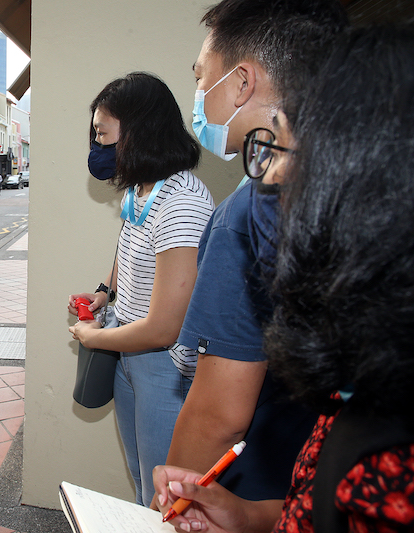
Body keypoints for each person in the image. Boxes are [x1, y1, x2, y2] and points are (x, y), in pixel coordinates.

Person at [154, 25, 414, 533]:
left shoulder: (388, 464)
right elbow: (315, 507)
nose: (268, 181)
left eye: (280, 153)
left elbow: (220, 412)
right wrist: (245, 517)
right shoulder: (361, 390)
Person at [163, 0, 347, 504]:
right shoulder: (353, 187)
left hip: (255, 489)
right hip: (320, 485)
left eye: (202, 78)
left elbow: (219, 415)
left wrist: (172, 505)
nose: (199, 95)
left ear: (241, 82)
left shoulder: (248, 213)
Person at [68, 72, 214, 504]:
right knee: (140, 478)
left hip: (162, 365)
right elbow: (129, 244)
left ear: (137, 131)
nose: (97, 145)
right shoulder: (143, 189)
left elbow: (165, 328)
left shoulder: (182, 203)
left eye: (102, 134)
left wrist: (93, 336)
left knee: (161, 495)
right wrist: (104, 292)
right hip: (129, 354)